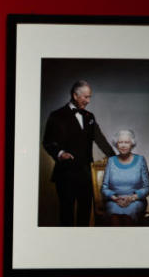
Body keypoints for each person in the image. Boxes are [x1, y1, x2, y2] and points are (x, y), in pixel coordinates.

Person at [42, 80, 116, 226]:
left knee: (85, 215)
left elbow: (100, 139)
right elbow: (47, 141)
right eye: (85, 97)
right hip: (65, 174)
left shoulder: (90, 116)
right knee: (66, 214)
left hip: (86, 174)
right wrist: (60, 153)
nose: (88, 101)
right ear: (75, 95)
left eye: (90, 97)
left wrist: (115, 158)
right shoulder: (56, 115)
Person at [101, 129, 149, 225]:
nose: (123, 145)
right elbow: (104, 188)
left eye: (127, 142)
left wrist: (132, 198)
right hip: (114, 201)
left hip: (136, 201)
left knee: (128, 215)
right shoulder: (111, 161)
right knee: (114, 216)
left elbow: (147, 187)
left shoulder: (140, 160)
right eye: (120, 142)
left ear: (132, 144)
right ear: (116, 144)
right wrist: (115, 198)